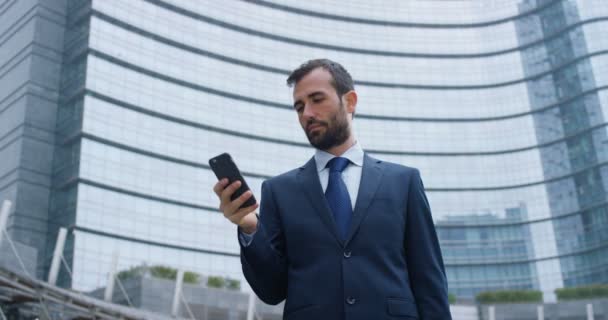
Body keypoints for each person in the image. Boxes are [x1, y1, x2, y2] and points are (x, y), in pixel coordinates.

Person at [213, 59, 452, 320]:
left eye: (317, 99)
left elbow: (429, 282)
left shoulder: (404, 182)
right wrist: (250, 227)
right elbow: (271, 290)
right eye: (299, 106)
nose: (307, 113)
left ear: (349, 102)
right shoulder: (279, 191)